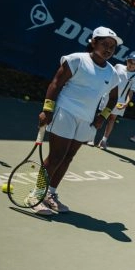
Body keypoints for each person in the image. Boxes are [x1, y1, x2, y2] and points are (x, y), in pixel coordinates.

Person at [32, 26, 122, 215]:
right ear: (93, 42)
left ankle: (50, 194)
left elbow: (113, 99)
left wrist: (102, 117)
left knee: (68, 157)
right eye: (105, 44)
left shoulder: (112, 73)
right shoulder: (76, 59)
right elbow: (56, 83)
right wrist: (47, 110)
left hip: (87, 121)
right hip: (65, 112)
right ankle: (36, 195)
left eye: (112, 47)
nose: (108, 49)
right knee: (56, 156)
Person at [90, 52, 135, 149]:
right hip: (107, 97)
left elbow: (131, 92)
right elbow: (109, 78)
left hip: (120, 102)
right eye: (131, 61)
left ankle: (103, 141)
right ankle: (91, 138)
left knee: (112, 119)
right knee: (101, 115)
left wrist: (126, 104)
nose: (132, 65)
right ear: (127, 60)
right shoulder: (118, 66)